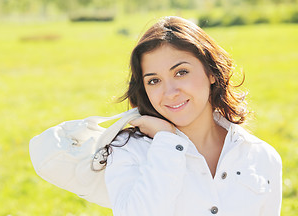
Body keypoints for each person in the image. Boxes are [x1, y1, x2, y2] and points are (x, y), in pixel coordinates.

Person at [104, 16, 282, 216]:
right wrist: (167, 142)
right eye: (154, 81)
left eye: (181, 72)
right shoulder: (128, 151)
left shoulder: (261, 156)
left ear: (211, 72)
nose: (170, 92)